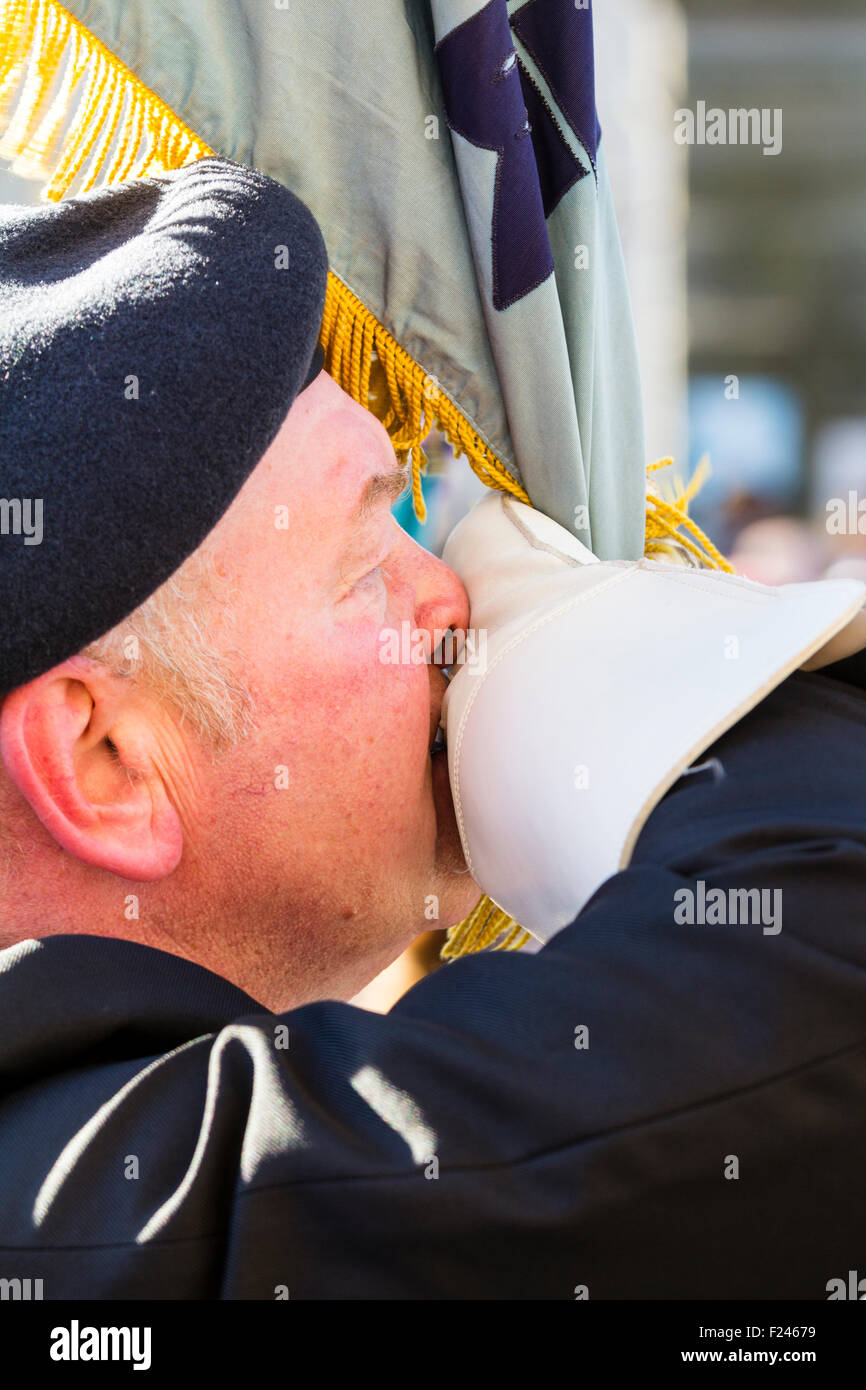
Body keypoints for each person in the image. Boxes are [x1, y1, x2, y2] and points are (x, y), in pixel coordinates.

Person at [1, 157, 864, 1300]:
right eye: (367, 561)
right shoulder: (94, 1216)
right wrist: (691, 701)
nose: (449, 594)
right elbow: (812, 992)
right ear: (105, 761)